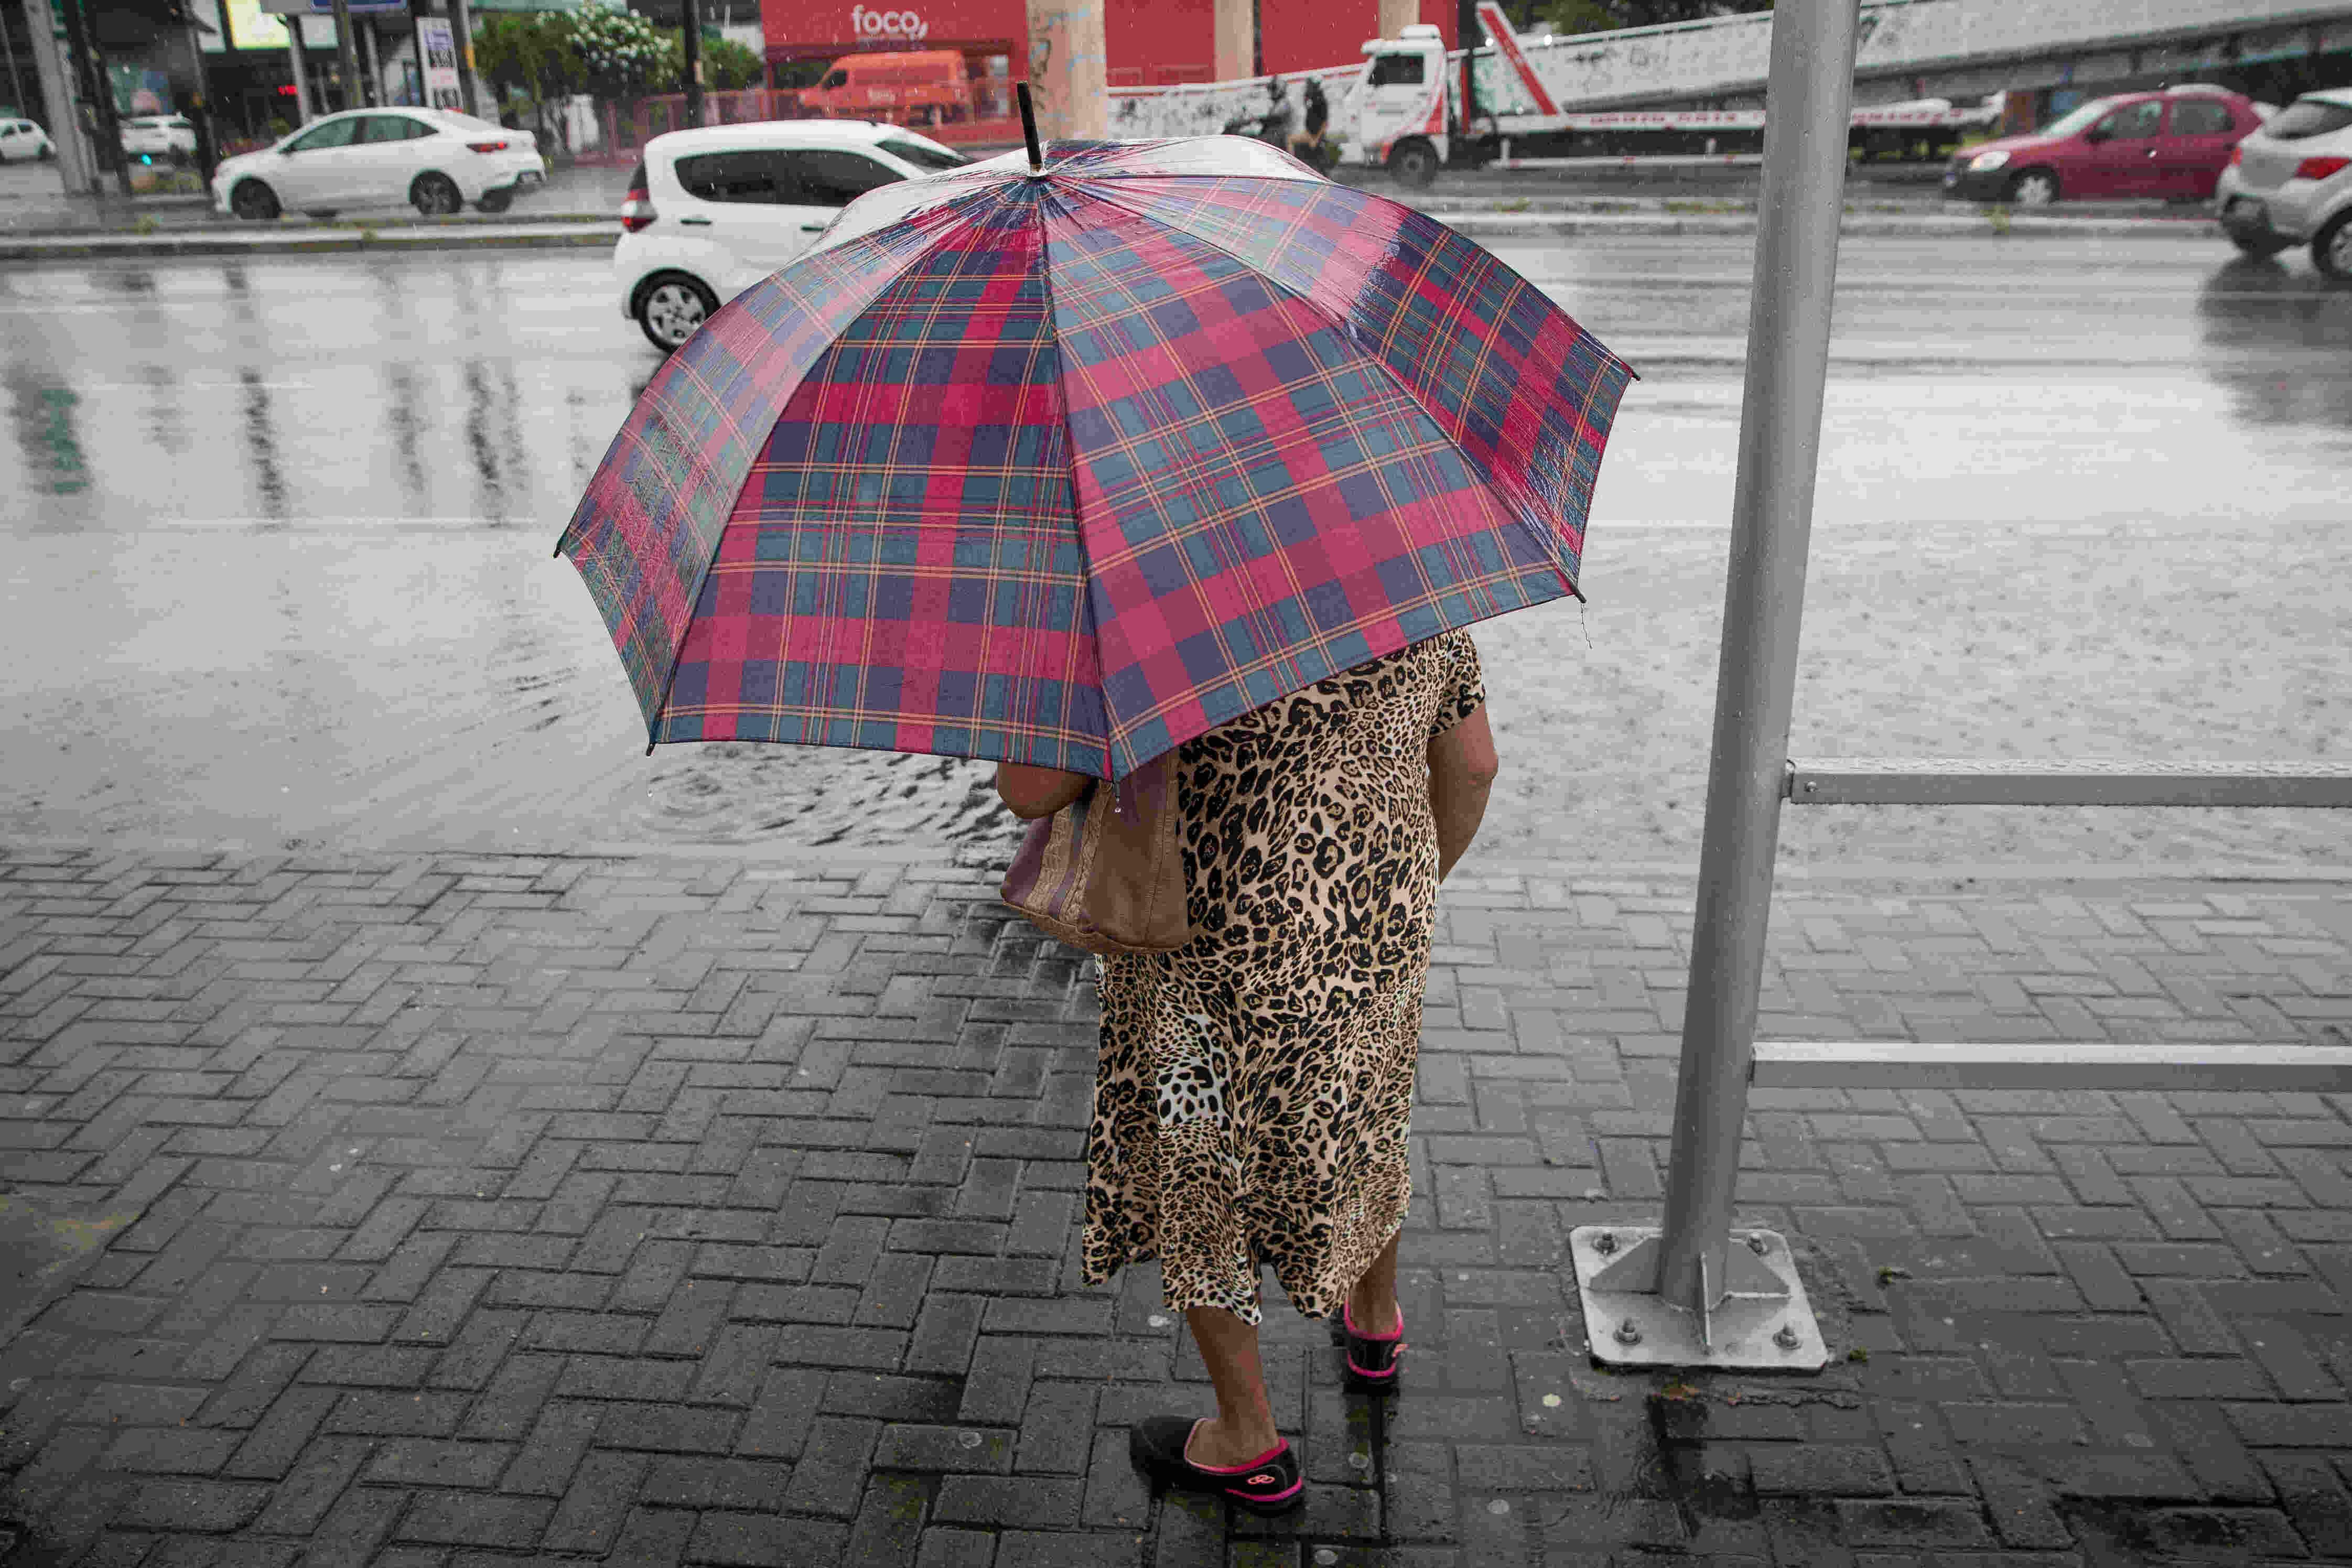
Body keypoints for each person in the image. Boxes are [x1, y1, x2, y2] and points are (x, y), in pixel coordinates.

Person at [995, 630, 1499, 1515]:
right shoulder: (1417, 598)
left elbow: (1029, 789)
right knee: (1364, 1118)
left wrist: (1036, 661)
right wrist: (1407, 889)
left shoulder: (1160, 615)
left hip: (1207, 949)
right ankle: (1374, 1328)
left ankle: (1247, 1439)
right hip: (1371, 926)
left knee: (1203, 1178)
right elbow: (1476, 765)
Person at [1289, 76, 1330, 164]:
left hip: (1315, 136)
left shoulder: (1321, 101)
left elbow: (1324, 123)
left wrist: (1316, 139)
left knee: (1290, 140)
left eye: (1309, 86)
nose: (1307, 88)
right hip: (1310, 133)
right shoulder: (1313, 99)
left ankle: (1292, 165)